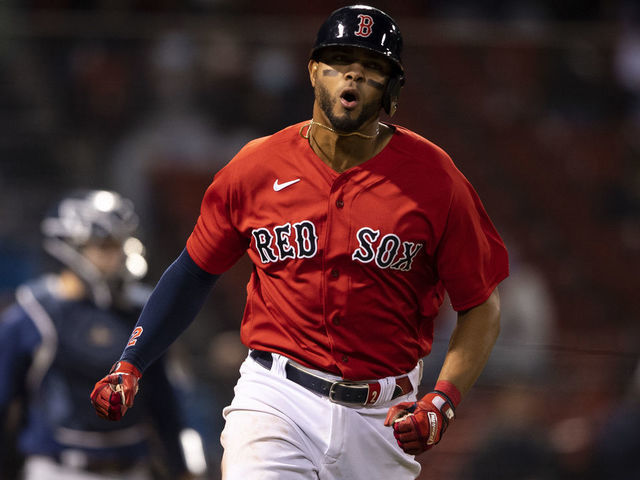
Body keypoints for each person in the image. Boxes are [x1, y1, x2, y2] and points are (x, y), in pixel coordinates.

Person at [91, 5, 509, 480]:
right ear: (313, 71)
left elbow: (481, 304)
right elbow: (193, 272)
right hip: (276, 398)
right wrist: (131, 361)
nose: (353, 74)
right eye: (339, 60)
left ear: (393, 89)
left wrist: (444, 398)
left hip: (384, 416)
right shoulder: (256, 167)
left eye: (372, 67)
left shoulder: (436, 179)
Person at [0, 189, 199, 480]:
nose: (117, 255)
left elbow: (164, 400)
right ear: (70, 246)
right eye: (105, 245)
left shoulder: (142, 310)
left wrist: (181, 468)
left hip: (133, 469)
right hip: (58, 469)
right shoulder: (32, 315)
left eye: (121, 244)